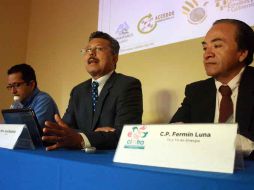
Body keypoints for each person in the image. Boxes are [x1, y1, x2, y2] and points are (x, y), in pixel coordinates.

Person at [42, 31, 143, 150]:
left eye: (99, 49)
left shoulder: (128, 85)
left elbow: (126, 134)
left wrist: (80, 137)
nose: (91, 53)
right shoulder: (78, 91)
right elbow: (65, 130)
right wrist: (90, 135)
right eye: (88, 50)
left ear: (114, 58)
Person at [170, 19, 254, 157]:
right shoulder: (196, 91)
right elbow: (174, 130)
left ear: (242, 53)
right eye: (205, 48)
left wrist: (217, 141)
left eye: (217, 45)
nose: (207, 54)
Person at [7, 63, 59, 128]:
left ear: (31, 84)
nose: (13, 91)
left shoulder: (44, 100)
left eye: (17, 85)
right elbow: (4, 130)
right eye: (10, 86)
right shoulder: (17, 104)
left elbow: (29, 132)